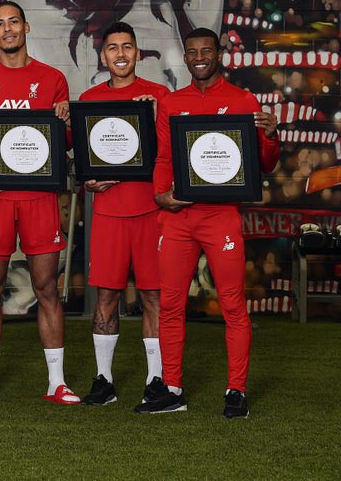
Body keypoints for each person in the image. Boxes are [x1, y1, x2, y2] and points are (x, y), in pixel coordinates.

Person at [135, 27, 279, 418]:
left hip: (221, 217)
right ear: (185, 57)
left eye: (206, 51)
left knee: (232, 304)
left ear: (219, 55)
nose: (199, 58)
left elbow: (265, 164)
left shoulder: (242, 100)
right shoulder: (172, 102)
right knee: (170, 305)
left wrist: (270, 136)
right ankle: (172, 388)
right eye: (192, 52)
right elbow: (164, 158)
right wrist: (161, 195)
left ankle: (236, 390)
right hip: (179, 218)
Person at [0, 0, 78, 405]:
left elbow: (65, 143)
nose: (7, 29)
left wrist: (66, 121)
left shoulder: (52, 79)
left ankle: (57, 382)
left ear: (26, 27)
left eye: (13, 22)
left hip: (39, 196)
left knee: (47, 287)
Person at [76, 22, 170, 407]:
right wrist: (88, 181)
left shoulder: (159, 95)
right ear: (103, 56)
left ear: (137, 53)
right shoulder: (89, 100)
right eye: (112, 47)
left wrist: (155, 116)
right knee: (106, 297)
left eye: (127, 46)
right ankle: (104, 380)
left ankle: (156, 379)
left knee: (153, 296)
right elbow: (83, 162)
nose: (120, 54)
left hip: (151, 210)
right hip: (109, 214)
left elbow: (171, 153)